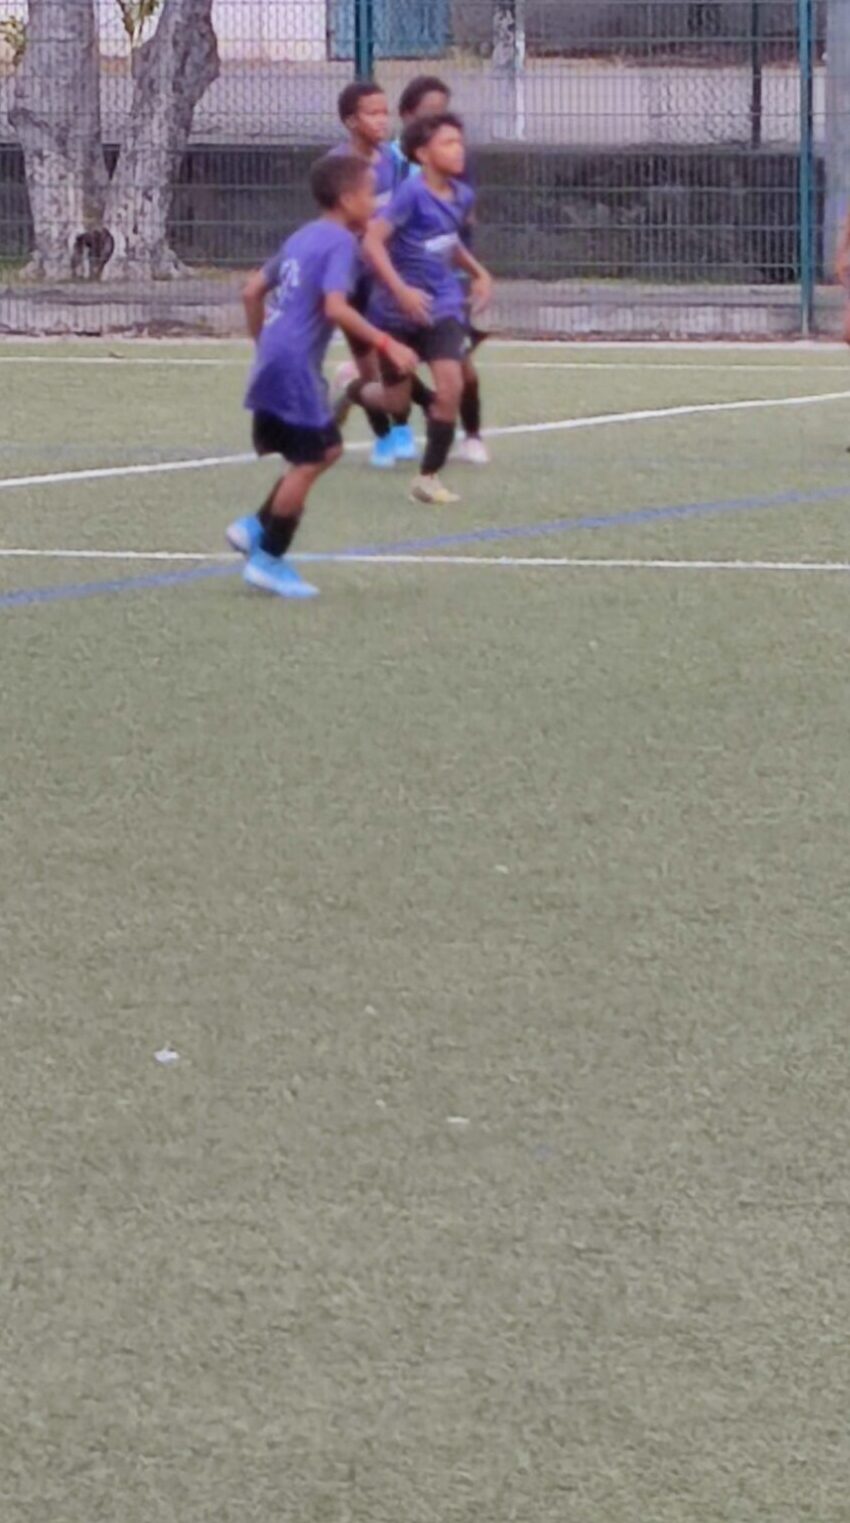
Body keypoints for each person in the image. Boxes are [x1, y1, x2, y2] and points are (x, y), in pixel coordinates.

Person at [225, 153, 416, 599]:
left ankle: (255, 526)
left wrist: (265, 342)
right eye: (370, 194)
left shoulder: (303, 235)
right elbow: (336, 308)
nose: (376, 202)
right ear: (347, 199)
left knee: (323, 449)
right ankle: (268, 558)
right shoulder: (341, 243)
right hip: (294, 362)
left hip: (277, 356)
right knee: (314, 456)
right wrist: (387, 344)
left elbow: (252, 292)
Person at [357, 112, 493, 504]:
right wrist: (400, 290)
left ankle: (428, 477)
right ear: (422, 154)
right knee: (394, 401)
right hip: (396, 313)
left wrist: (479, 272)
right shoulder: (411, 194)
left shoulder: (462, 196)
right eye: (448, 143)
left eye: (460, 142)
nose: (458, 150)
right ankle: (353, 389)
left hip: (442, 306)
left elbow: (448, 241)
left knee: (451, 386)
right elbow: (372, 242)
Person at [330, 80, 432, 467]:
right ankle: (382, 432)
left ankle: (401, 426)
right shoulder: (338, 167)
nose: (381, 121)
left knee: (398, 360)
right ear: (350, 121)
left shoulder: (397, 162)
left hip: (390, 279)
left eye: (384, 113)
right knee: (371, 370)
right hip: (353, 281)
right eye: (372, 113)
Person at [392, 75, 490, 467]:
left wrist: (476, 271)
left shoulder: (455, 171)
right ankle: (373, 401)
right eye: (429, 113)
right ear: (407, 116)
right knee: (393, 378)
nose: (439, 120)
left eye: (443, 112)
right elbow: (375, 231)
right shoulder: (395, 169)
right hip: (396, 286)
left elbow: (457, 227)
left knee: (460, 368)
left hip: (444, 283)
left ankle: (470, 435)